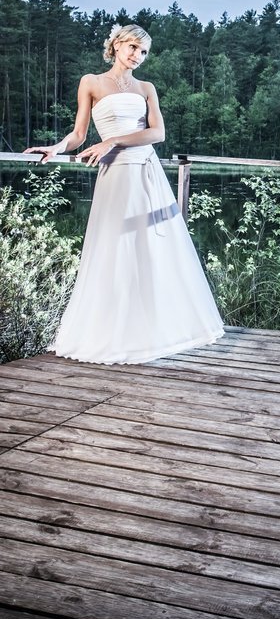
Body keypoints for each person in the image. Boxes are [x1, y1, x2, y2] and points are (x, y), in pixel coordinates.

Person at [24, 23, 224, 364]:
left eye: (143, 51)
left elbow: (157, 134)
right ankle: (115, 333)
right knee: (113, 248)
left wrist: (113, 140)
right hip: (114, 176)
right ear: (116, 45)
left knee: (154, 249)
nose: (137, 56)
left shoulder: (146, 87)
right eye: (132, 47)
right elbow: (78, 134)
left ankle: (156, 331)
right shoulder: (91, 82)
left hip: (146, 172)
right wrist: (57, 148)